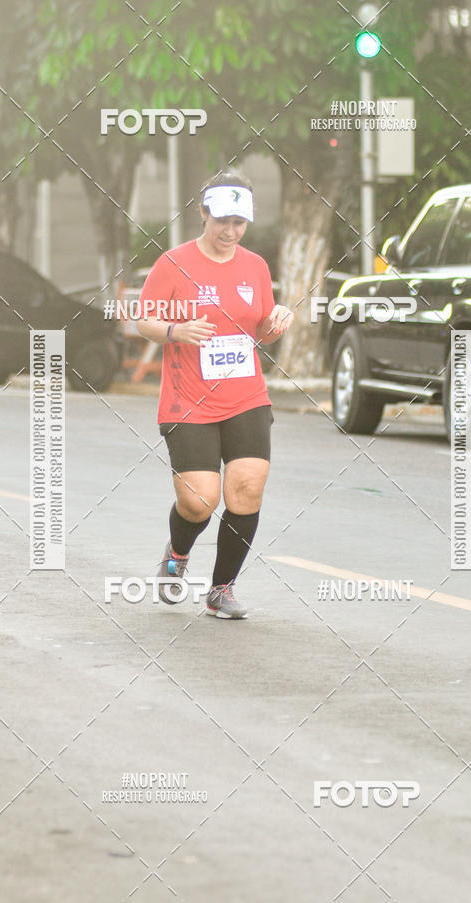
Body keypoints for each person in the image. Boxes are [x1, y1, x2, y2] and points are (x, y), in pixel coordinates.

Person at [137, 171, 293, 619]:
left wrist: (276, 321)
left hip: (246, 395)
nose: (230, 231)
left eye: (239, 222)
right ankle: (177, 554)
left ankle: (221, 589)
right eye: (222, 220)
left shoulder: (256, 266)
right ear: (203, 213)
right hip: (188, 401)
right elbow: (141, 319)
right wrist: (175, 330)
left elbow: (260, 330)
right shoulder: (173, 263)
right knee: (199, 499)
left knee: (246, 489)